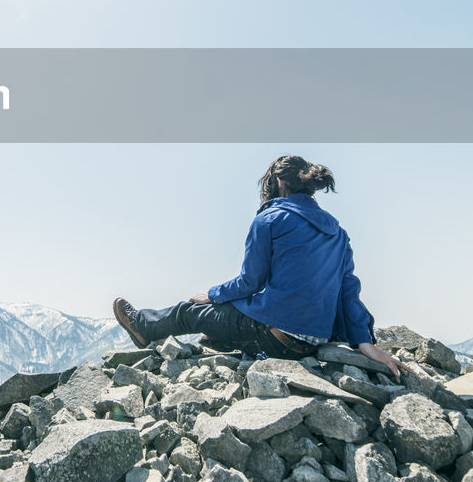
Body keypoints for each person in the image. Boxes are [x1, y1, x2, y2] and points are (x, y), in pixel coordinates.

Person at [113, 155, 406, 382]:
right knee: (230, 313)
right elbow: (347, 291)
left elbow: (250, 282)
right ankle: (217, 337)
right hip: (314, 340)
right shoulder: (338, 232)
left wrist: (212, 294)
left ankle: (141, 326)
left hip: (278, 339)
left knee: (188, 311)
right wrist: (365, 343)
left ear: (278, 183)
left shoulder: (270, 219)